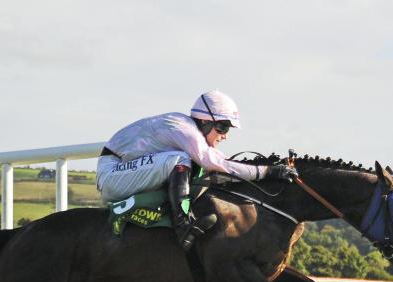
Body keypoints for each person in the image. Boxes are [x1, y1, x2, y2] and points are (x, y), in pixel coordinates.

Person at [96, 90, 297, 251]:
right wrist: (267, 172)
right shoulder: (185, 130)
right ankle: (182, 226)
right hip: (112, 176)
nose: (225, 135)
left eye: (227, 129)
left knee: (195, 166)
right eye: (222, 127)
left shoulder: (190, 131)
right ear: (205, 121)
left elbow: (221, 164)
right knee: (181, 160)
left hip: (122, 171)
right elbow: (215, 164)